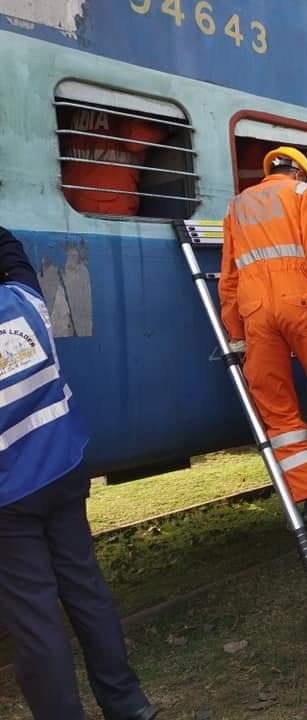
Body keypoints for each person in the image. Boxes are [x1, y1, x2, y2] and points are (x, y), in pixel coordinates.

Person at [0, 226, 158, 720]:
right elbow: (12, 251)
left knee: (35, 616)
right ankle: (127, 702)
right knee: (85, 588)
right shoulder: (26, 301)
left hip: (9, 492)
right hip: (65, 468)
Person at [219, 146, 307, 532]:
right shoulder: (305, 194)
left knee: (278, 410)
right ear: (301, 173)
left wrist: (235, 333)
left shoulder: (236, 207)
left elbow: (228, 278)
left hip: (256, 313)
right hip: (304, 305)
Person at [61, 107, 167, 216]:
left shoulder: (76, 104)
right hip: (106, 199)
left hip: (68, 194)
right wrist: (166, 129)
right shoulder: (123, 103)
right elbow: (134, 138)